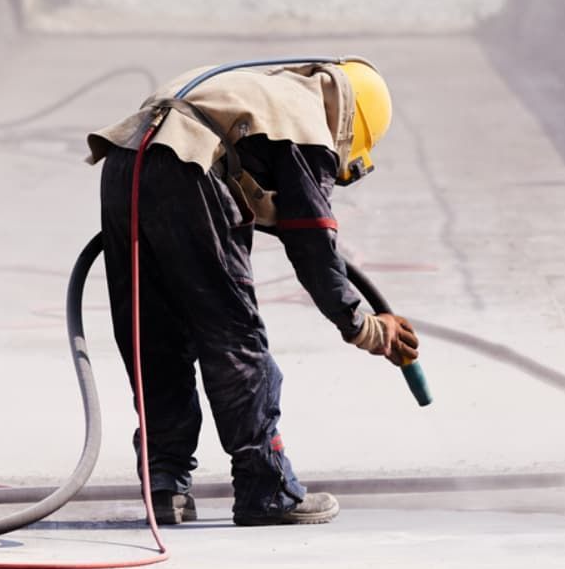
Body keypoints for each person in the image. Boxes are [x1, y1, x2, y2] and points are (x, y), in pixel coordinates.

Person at [87, 59, 418, 527]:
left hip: (126, 164)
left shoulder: (261, 92)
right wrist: (363, 326)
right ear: (351, 124)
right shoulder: (307, 124)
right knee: (231, 333)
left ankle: (164, 484)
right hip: (189, 172)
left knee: (153, 333)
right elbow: (312, 240)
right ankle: (267, 487)